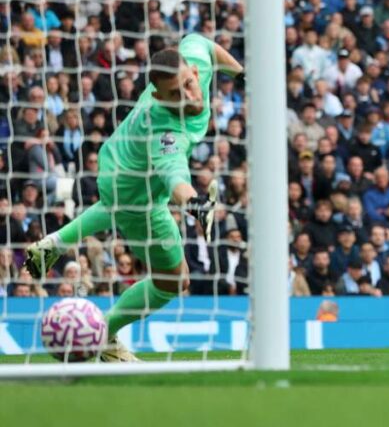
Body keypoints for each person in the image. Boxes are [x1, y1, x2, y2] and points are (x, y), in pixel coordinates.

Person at [25, 34, 243, 362]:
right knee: (175, 280)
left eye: (188, 84)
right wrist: (194, 204)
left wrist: (240, 74)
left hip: (116, 159)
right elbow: (174, 174)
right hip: (137, 190)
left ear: (195, 73)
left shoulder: (193, 62)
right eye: (174, 94)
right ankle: (103, 333)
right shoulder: (167, 129)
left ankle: (55, 243)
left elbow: (201, 43)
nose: (187, 96)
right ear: (158, 95)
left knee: (114, 206)